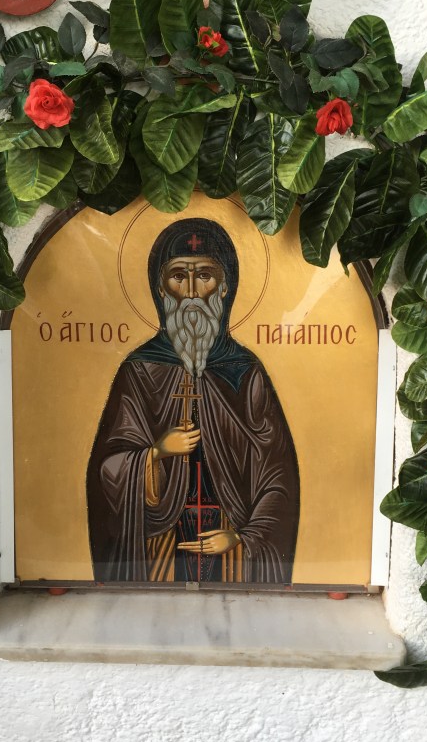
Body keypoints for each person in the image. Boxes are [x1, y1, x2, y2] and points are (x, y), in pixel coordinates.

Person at [87, 218, 299, 583]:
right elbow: (106, 469)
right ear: (160, 288)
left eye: (204, 275)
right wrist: (155, 453)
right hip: (160, 544)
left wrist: (242, 537)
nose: (190, 291)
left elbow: (278, 477)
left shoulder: (245, 371)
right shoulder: (139, 370)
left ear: (224, 286)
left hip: (229, 540)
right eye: (177, 276)